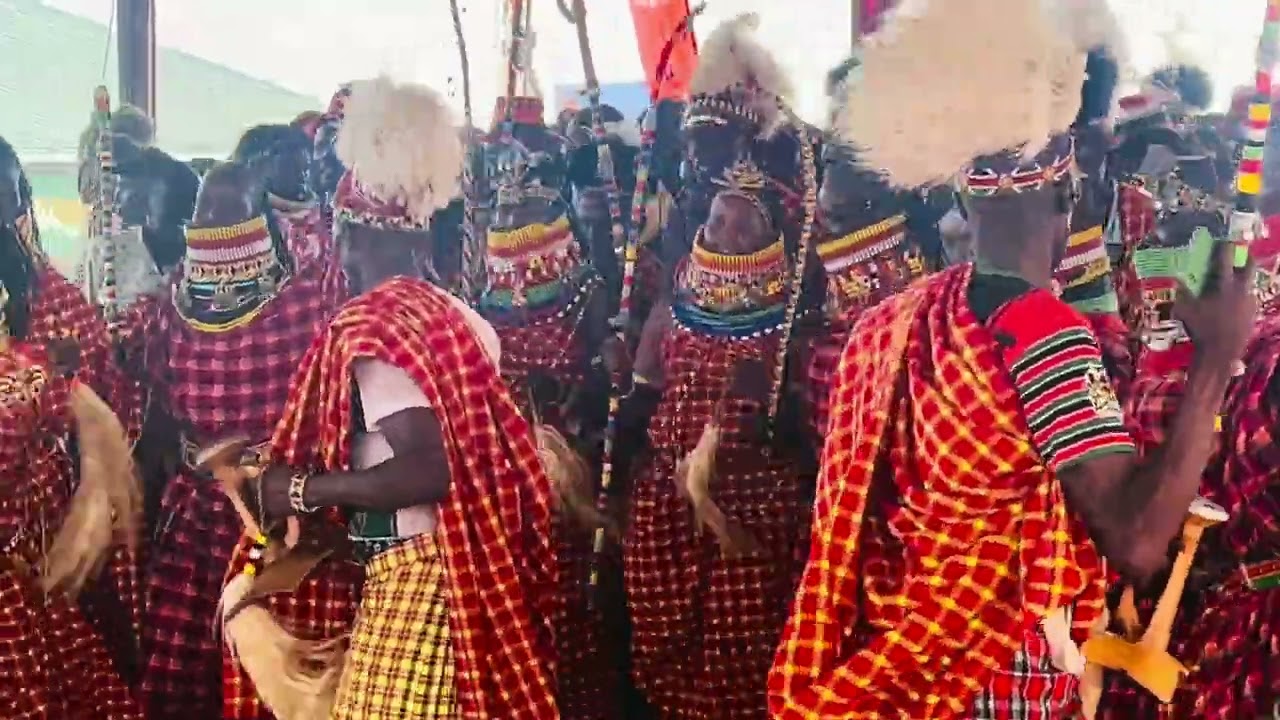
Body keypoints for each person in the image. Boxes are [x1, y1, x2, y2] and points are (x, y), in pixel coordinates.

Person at [768, 1, 1255, 717]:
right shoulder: (1044, 333)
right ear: (1070, 189)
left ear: (963, 192)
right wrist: (1215, 358)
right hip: (995, 671)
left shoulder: (905, 314)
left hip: (908, 646)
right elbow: (1139, 540)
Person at [219, 76, 559, 720]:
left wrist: (299, 491)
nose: (337, 255)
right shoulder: (457, 314)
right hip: (464, 568)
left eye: (340, 235)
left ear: (355, 233)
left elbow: (427, 469)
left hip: (417, 576)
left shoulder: (379, 329)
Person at [622, 14, 819, 718]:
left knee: (743, 664)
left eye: (746, 224)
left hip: (754, 501)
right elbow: (644, 390)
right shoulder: (674, 288)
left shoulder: (798, 300)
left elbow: (802, 422)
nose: (729, 230)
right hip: (666, 503)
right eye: (718, 221)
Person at [133, 159, 347, 720]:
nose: (213, 234)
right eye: (204, 219)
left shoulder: (310, 298)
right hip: (200, 511)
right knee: (179, 664)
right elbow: (158, 396)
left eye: (229, 222)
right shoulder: (173, 300)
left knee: (267, 671)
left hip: (279, 516)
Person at [474, 89, 620, 719]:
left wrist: (578, 397)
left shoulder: (586, 291)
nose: (509, 228)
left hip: (572, 467)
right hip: (504, 469)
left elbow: (601, 383)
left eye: (522, 220)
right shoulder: (481, 303)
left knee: (570, 593)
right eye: (502, 221)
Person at [231, 124, 328, 265]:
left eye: (306, 166)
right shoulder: (241, 223)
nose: (303, 170)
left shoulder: (329, 217)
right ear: (257, 167)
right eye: (289, 163)